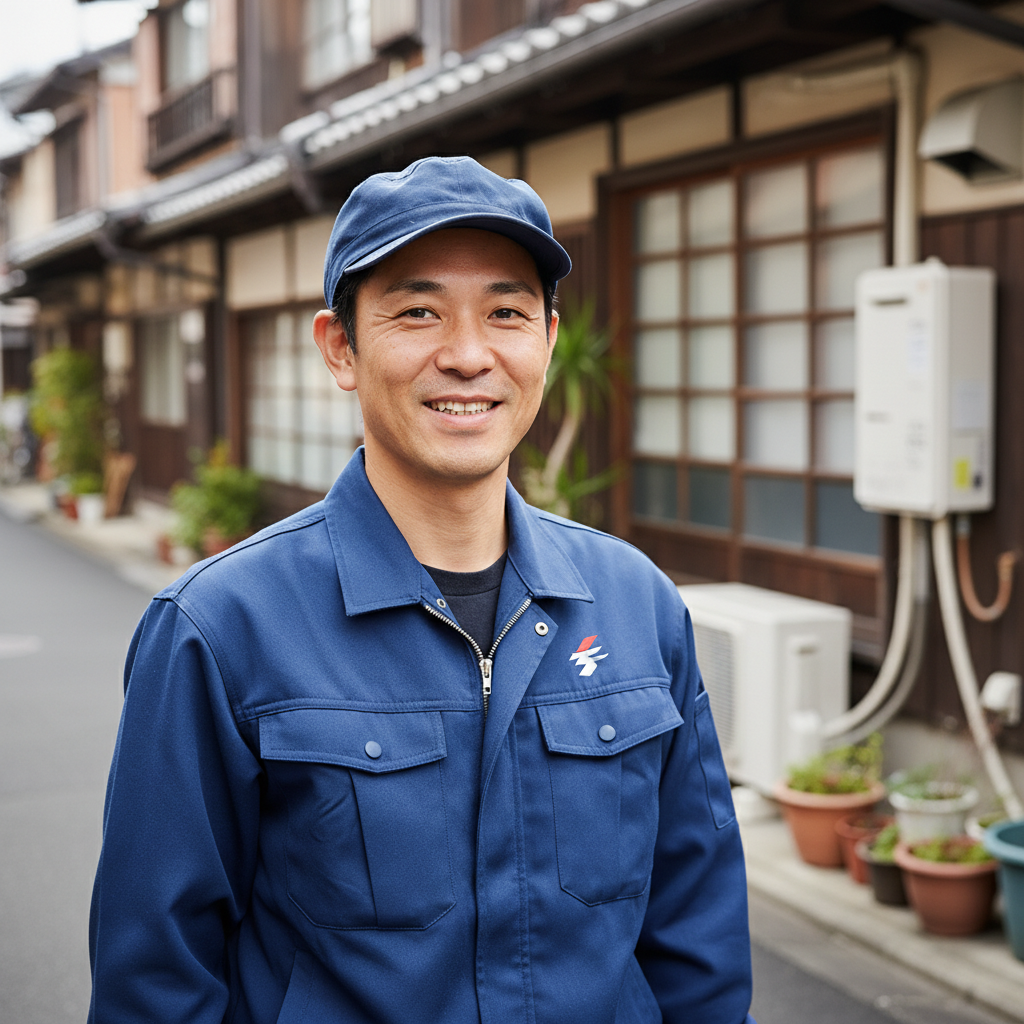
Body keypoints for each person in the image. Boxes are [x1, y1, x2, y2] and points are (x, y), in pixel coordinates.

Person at [88, 156, 755, 1024]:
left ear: (548, 342)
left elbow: (696, 939)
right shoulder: (218, 628)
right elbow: (156, 981)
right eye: (418, 313)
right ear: (342, 349)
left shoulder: (637, 604)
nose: (469, 355)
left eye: (507, 313)